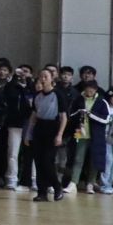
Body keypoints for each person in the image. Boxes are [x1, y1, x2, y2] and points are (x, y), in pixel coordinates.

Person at [29, 65, 67, 202]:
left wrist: (60, 134)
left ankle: (57, 187)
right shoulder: (37, 96)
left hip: (52, 128)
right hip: (39, 128)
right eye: (41, 76)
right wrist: (28, 133)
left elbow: (64, 117)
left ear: (52, 79)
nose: (43, 79)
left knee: (47, 161)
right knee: (38, 161)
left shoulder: (58, 95)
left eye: (46, 77)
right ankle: (42, 192)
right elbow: (33, 116)